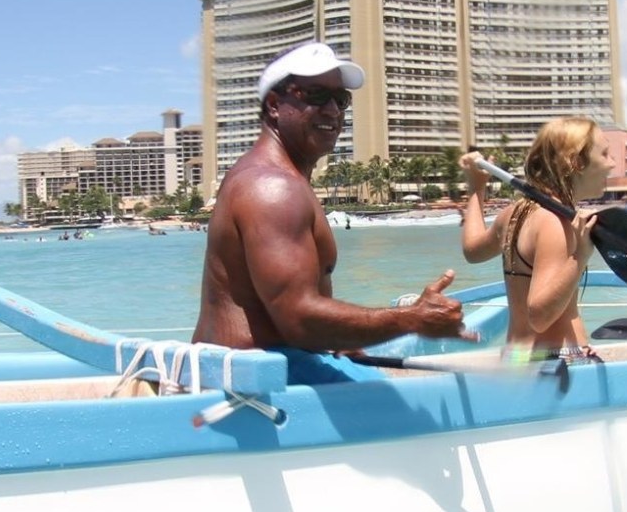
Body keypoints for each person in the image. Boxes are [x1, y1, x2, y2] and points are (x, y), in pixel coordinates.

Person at [192, 41, 472, 384]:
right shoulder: (273, 188)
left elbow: (291, 311)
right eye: (315, 95)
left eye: (341, 100)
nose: (333, 111)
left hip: (255, 371)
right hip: (259, 384)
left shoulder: (278, 179)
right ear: (275, 104)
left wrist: (343, 336)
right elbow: (299, 318)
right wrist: (413, 319)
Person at [458, 119, 611, 360]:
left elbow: (472, 250)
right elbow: (539, 317)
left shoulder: (515, 212)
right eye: (605, 154)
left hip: (517, 359)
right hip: (556, 363)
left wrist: (476, 189)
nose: (612, 164)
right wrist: (580, 256)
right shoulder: (554, 223)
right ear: (577, 162)